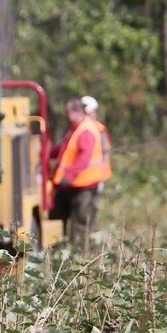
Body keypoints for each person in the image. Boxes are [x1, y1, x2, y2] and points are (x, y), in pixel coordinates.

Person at [50, 98, 112, 251]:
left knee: (81, 223)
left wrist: (69, 176)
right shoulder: (75, 128)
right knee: (59, 218)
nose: (66, 115)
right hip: (71, 185)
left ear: (78, 112)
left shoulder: (87, 130)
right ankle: (59, 252)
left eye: (68, 111)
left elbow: (85, 156)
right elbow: (66, 150)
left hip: (84, 184)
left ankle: (80, 255)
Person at [80, 95, 112, 217]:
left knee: (92, 209)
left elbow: (105, 155)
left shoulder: (99, 129)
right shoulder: (81, 128)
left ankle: (91, 233)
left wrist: (101, 180)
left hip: (97, 178)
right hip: (84, 179)